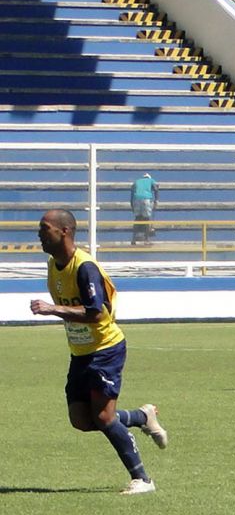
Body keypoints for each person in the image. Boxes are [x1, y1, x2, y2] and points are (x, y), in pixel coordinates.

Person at [29, 209, 168, 495]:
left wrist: (53, 308)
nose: (39, 234)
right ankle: (142, 417)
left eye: (45, 228)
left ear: (64, 231)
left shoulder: (84, 267)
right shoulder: (54, 265)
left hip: (105, 349)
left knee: (104, 418)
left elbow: (96, 312)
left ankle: (143, 479)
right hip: (80, 352)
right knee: (81, 420)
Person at [130, 173, 159, 246]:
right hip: (146, 199)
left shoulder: (136, 181)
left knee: (137, 218)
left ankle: (133, 239)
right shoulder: (151, 180)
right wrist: (156, 199)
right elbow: (156, 188)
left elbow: (132, 193)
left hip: (136, 199)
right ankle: (146, 240)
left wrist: (132, 206)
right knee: (147, 218)